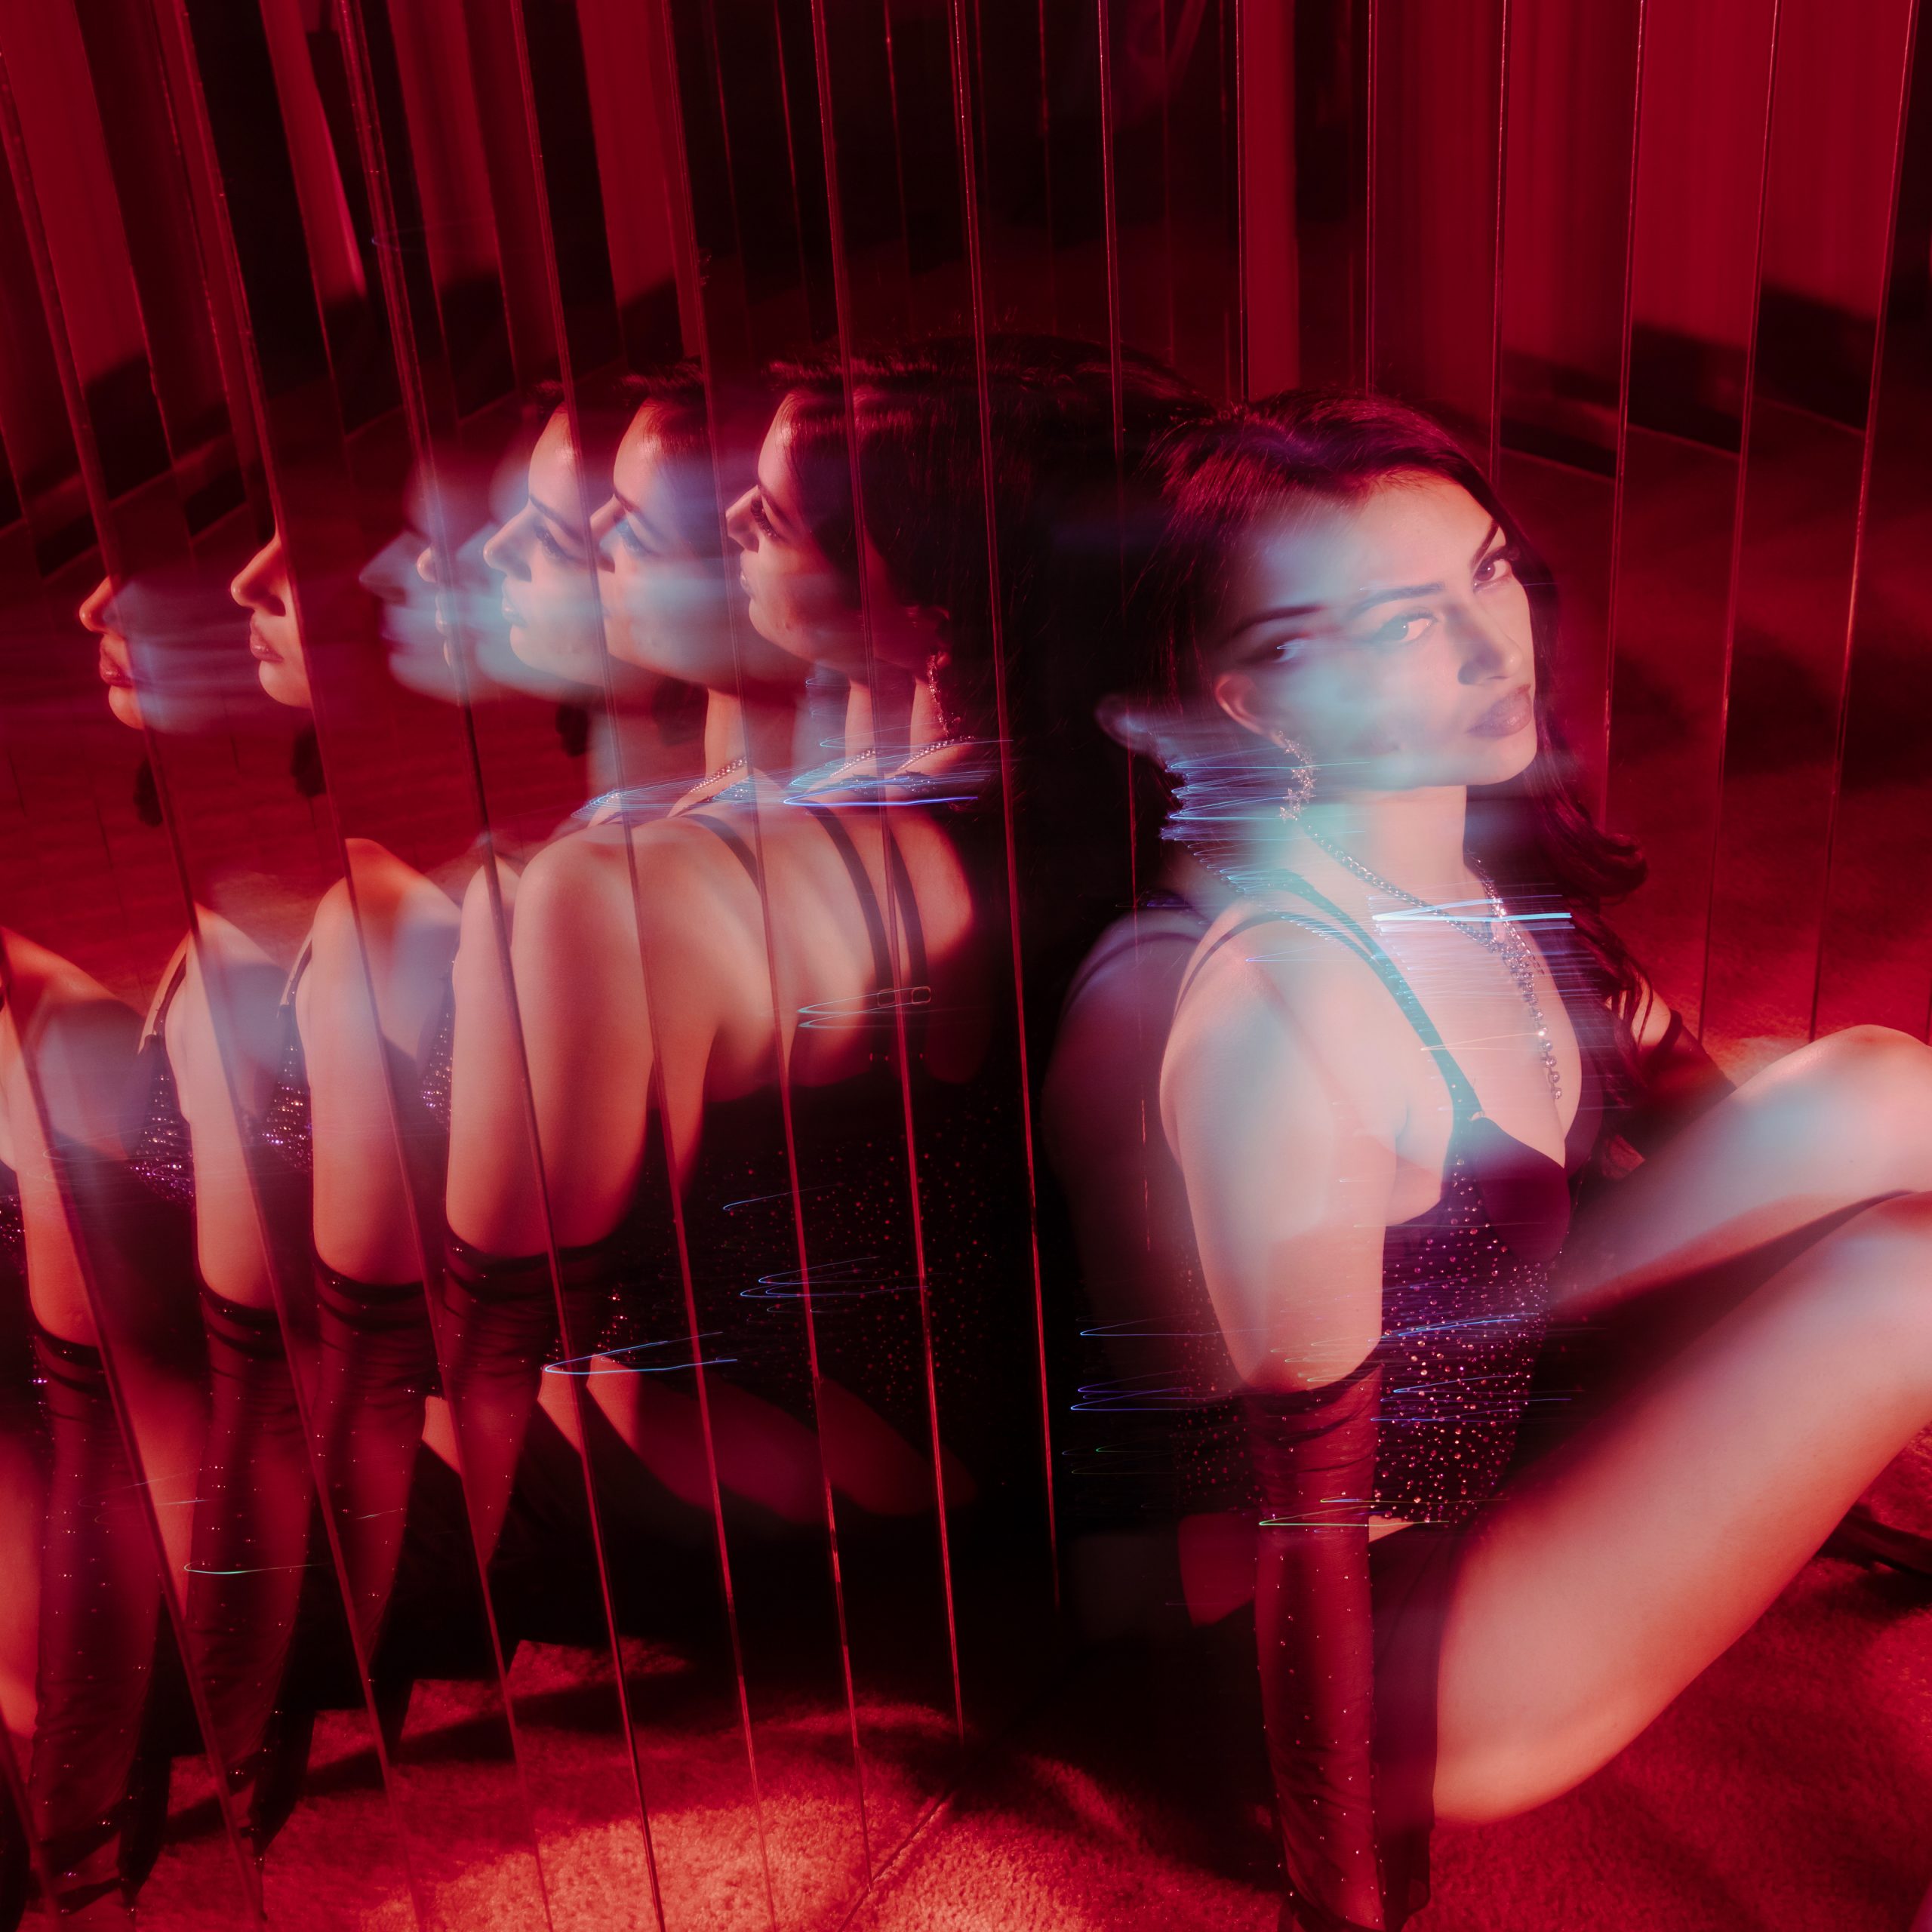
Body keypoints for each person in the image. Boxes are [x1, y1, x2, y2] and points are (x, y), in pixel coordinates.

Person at [1078, 390, 1932, 1930]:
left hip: (1516, 1396)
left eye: (1489, 576)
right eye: (1409, 624)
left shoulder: (1469, 869)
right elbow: (1306, 1526)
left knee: (1885, 1085)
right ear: (1262, 701)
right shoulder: (1288, 1007)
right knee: (1909, 1281)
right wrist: (1343, 1888)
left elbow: (1695, 1142)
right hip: (1388, 1635)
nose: (1496, 647)